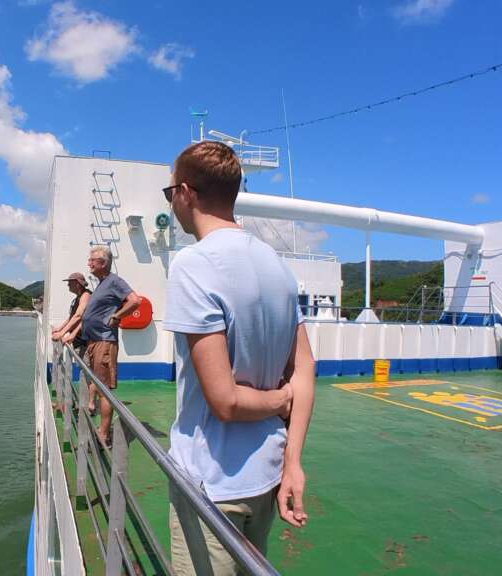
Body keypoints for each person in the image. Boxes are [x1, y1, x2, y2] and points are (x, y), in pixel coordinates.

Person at [162, 141, 316, 574]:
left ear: (186, 192)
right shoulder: (277, 266)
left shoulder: (193, 264)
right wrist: (293, 463)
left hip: (212, 482)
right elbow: (304, 369)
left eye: (169, 191)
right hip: (266, 475)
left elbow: (226, 401)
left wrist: (278, 401)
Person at [81, 246, 141, 446]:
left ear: (103, 263)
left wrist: (117, 316)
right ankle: (102, 429)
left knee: (104, 389)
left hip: (105, 342)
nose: (89, 263)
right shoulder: (102, 283)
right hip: (95, 341)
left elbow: (135, 300)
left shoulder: (114, 281)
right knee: (98, 387)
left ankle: (103, 434)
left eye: (92, 260)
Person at [52, 272, 92, 359]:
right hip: (78, 341)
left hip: (85, 342)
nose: (68, 285)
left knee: (85, 369)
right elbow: (71, 317)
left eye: (70, 283)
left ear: (78, 284)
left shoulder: (85, 295)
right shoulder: (78, 297)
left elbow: (78, 316)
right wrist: (60, 329)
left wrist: (62, 334)